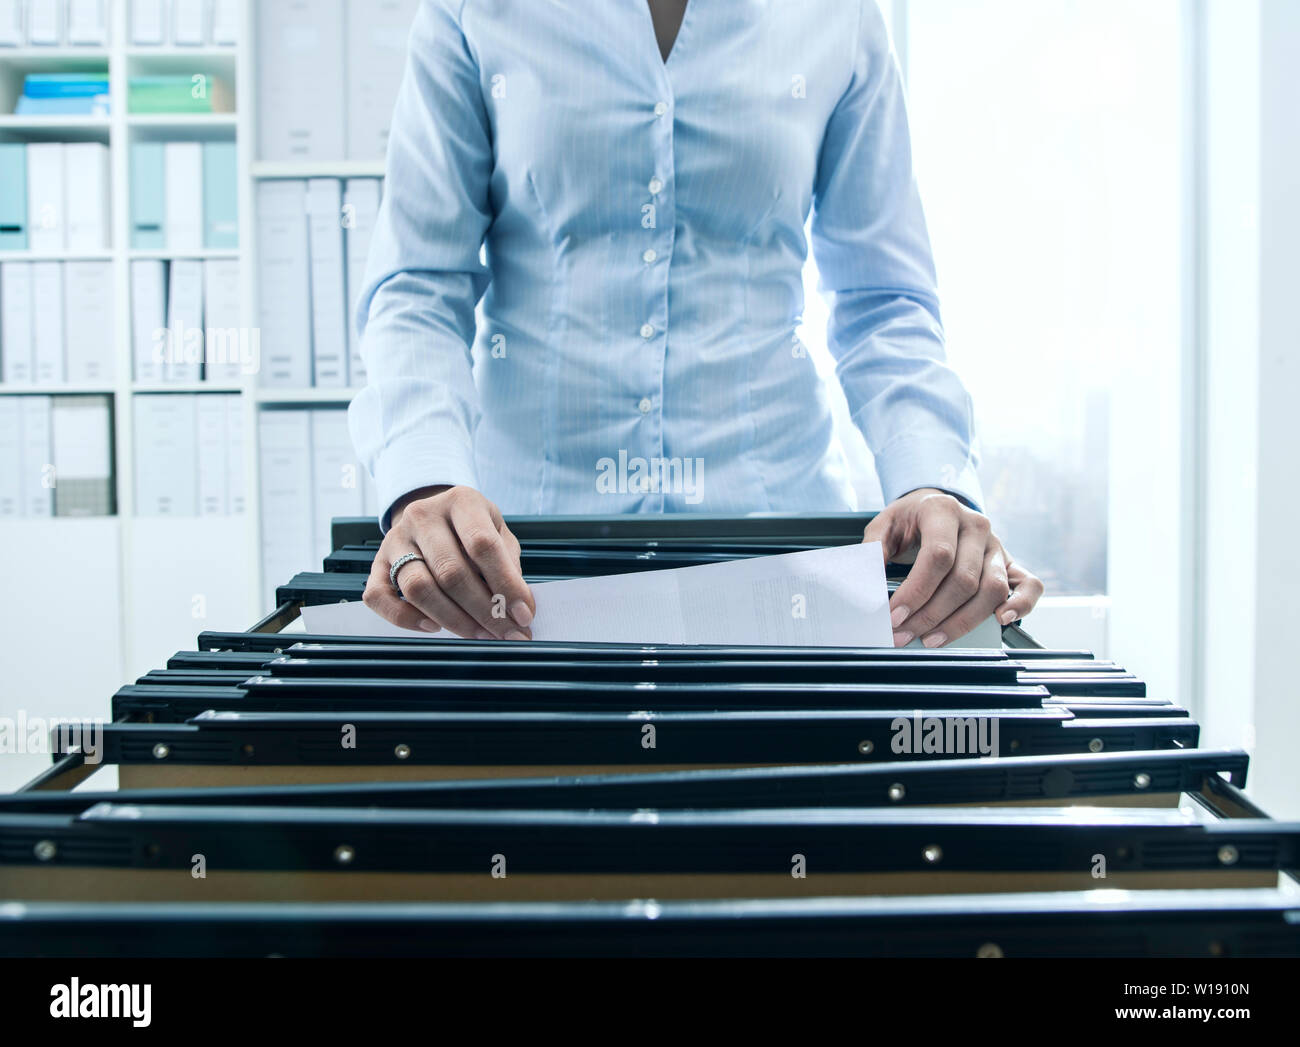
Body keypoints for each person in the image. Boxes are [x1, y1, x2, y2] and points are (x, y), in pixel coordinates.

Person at [348, 0, 1044, 645]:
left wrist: (933, 480)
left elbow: (883, 299)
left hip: (782, 560)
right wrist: (426, 481)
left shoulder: (839, 14)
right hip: (520, 567)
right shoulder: (470, 11)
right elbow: (417, 285)